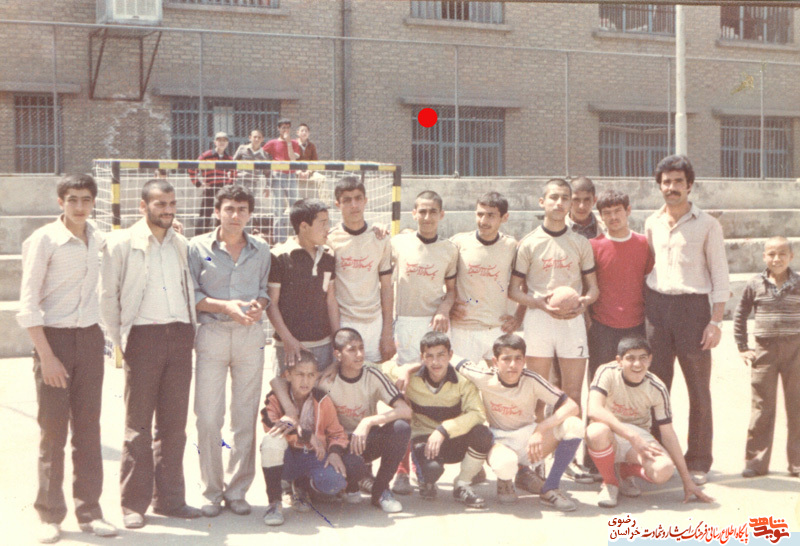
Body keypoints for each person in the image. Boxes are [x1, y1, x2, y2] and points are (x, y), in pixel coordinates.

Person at [17, 174, 117, 543]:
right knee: (53, 432)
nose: (79, 206)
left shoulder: (98, 238)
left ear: (94, 202)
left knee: (88, 431)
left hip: (89, 339)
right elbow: (28, 303)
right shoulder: (43, 240)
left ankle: (90, 512)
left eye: (86, 199)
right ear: (60, 202)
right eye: (72, 199)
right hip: (53, 341)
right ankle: (49, 514)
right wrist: (47, 356)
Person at [100, 178, 201, 529]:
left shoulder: (181, 244)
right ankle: (133, 505)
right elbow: (107, 298)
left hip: (180, 336)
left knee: (174, 427)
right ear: (143, 207)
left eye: (172, 204)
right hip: (143, 338)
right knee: (138, 427)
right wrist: (121, 341)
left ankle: (171, 500)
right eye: (160, 204)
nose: (168, 210)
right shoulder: (121, 243)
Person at [644, 154, 730, 485]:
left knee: (698, 389)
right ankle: (657, 456)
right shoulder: (651, 222)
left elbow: (720, 275)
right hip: (657, 309)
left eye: (678, 181)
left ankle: (698, 460)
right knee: (656, 387)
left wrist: (715, 321)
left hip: (693, 311)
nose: (672, 187)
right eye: (666, 182)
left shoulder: (708, 224)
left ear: (689, 185)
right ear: (659, 186)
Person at [187, 185, 271, 518]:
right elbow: (192, 294)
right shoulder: (197, 247)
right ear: (217, 212)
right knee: (208, 417)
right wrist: (226, 307)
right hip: (212, 334)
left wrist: (258, 306)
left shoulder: (261, 249)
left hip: (250, 336)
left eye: (242, 209)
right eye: (229, 209)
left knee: (244, 416)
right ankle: (211, 491)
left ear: (249, 214)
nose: (235, 215)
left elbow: (263, 290)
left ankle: (237, 491)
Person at [508, 178, 599, 484]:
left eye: (565, 198)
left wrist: (583, 302)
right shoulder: (529, 243)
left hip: (572, 322)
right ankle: (534, 461)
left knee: (573, 394)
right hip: (539, 320)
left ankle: (567, 460)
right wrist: (538, 303)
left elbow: (593, 288)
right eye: (554, 197)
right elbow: (514, 290)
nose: (559, 203)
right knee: (537, 396)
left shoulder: (580, 243)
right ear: (542, 202)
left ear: (571, 203)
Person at [270, 328, 412, 512]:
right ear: (337, 354)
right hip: (337, 445)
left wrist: (368, 422)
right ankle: (333, 486)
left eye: (361, 348)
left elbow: (405, 410)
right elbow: (278, 382)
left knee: (401, 428)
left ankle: (381, 491)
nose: (359, 354)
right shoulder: (326, 380)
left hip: (364, 439)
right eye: (352, 350)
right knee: (352, 466)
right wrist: (290, 411)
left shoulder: (372, 374)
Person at [586, 337, 714, 507]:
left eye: (643, 358)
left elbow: (668, 434)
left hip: (638, 435)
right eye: (630, 358)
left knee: (664, 469)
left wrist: (687, 480)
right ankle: (610, 482)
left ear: (650, 359)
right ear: (619, 361)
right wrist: (632, 436)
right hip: (611, 430)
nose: (637, 364)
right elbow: (594, 409)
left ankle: (623, 472)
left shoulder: (657, 387)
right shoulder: (607, 371)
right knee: (595, 431)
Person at [383, 332, 492, 508]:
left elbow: (477, 414)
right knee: (431, 470)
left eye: (441, 355)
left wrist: (443, 430)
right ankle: (426, 480)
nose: (436, 362)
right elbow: (376, 368)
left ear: (450, 355)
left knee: (483, 433)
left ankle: (462, 485)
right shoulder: (410, 378)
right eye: (430, 356)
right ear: (422, 358)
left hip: (453, 437)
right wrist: (404, 369)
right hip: (424, 439)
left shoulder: (463, 381)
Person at [733, 236, 800, 478]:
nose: (776, 259)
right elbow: (740, 314)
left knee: (797, 406)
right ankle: (756, 463)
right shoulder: (755, 284)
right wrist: (743, 346)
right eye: (771, 254)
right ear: (764, 257)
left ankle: (797, 463)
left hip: (795, 351)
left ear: (791, 256)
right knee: (762, 407)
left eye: (782, 254)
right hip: (764, 351)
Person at [259, 350, 348, 526]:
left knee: (335, 482)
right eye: (300, 374)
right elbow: (271, 425)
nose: (305, 381)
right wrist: (306, 435)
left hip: (312, 456)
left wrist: (335, 452)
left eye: (310, 375)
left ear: (316, 377)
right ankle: (274, 502)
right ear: (288, 375)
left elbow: (337, 433)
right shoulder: (276, 398)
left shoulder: (322, 400)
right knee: (270, 441)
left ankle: (301, 487)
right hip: (287, 458)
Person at [449, 192, 525, 364]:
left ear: (504, 218)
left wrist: (519, 317)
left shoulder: (511, 246)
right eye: (480, 214)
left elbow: (527, 284)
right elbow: (442, 279)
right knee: (463, 380)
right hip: (464, 328)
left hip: (499, 328)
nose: (483, 221)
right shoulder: (459, 243)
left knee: (501, 379)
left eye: (490, 215)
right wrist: (448, 305)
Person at [327, 176, 395, 363]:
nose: (354, 205)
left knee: (375, 373)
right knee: (345, 375)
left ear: (366, 201)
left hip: (374, 322)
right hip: (344, 321)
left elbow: (387, 287)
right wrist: (336, 332)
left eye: (358, 198)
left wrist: (387, 331)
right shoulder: (330, 240)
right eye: (347, 200)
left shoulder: (380, 238)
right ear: (338, 204)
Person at [266, 198, 339, 373]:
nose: (327, 228)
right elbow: (271, 304)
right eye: (322, 223)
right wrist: (288, 339)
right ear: (304, 226)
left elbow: (330, 300)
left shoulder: (328, 256)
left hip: (323, 345)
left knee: (321, 390)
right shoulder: (279, 256)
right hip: (288, 347)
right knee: (286, 390)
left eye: (328, 222)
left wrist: (337, 341)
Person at [588, 190, 654, 380]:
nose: (613, 217)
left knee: (633, 382)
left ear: (628, 210)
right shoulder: (593, 246)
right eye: (607, 213)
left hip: (636, 326)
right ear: (600, 216)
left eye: (618, 211)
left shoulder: (643, 243)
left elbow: (648, 283)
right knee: (600, 381)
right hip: (602, 327)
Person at [391, 190, 458, 365]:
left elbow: (452, 291)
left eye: (433, 212)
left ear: (441, 214)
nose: (427, 217)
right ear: (414, 214)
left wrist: (443, 310)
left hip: (436, 322)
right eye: (422, 212)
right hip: (407, 321)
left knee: (438, 372)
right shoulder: (398, 243)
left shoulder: (449, 249)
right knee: (408, 373)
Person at [263, 118, 301, 239]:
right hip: (277, 176)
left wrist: (289, 143)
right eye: (283, 127)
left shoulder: (294, 143)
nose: (285, 130)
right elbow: (261, 154)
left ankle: (298, 236)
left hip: (291, 176)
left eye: (288, 128)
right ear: (278, 129)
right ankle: (279, 239)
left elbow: (293, 159)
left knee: (295, 207)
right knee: (278, 208)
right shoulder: (272, 143)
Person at [190, 132, 234, 235]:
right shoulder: (207, 155)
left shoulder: (229, 158)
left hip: (223, 189)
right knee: (205, 213)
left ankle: (220, 235)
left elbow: (234, 172)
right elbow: (192, 167)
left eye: (224, 140)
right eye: (219, 140)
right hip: (210, 188)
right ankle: (200, 236)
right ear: (215, 142)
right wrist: (199, 183)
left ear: (227, 143)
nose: (222, 142)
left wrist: (229, 184)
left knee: (222, 213)